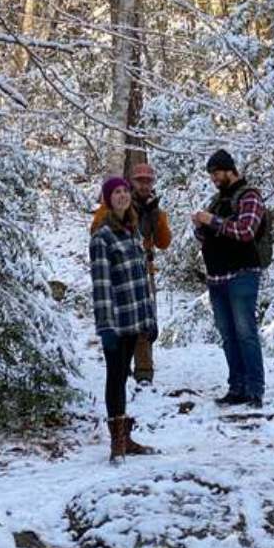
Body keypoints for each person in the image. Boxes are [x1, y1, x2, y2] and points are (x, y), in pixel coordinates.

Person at [90, 176, 158, 462]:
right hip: (116, 322)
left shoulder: (132, 231)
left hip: (134, 319)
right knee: (115, 376)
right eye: (116, 192)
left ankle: (126, 437)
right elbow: (101, 285)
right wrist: (106, 326)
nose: (122, 196)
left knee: (123, 375)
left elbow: (142, 280)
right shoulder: (102, 237)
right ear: (108, 199)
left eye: (125, 191)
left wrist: (149, 319)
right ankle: (117, 441)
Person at [191, 149, 266, 409]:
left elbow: (246, 231)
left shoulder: (249, 196)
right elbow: (209, 235)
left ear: (229, 169)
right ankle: (237, 388)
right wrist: (201, 227)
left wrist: (212, 221)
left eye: (216, 173)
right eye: (211, 174)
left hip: (242, 274)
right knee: (228, 336)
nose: (213, 178)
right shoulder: (217, 201)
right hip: (217, 277)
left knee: (245, 334)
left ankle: (254, 390)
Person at [90, 163, 172, 384]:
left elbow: (164, 242)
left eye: (148, 181)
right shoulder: (113, 205)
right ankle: (121, 365)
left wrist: (157, 215)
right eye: (139, 180)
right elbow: (96, 230)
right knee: (121, 318)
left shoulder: (153, 208)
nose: (144, 185)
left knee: (144, 320)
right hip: (118, 271)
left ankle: (144, 370)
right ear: (131, 182)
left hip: (143, 269)